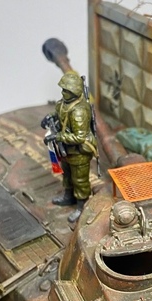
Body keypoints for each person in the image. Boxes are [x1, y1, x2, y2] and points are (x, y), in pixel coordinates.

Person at [47, 71, 97, 223]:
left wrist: (58, 137)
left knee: (80, 180)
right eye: (63, 89)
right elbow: (58, 113)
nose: (63, 92)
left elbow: (79, 137)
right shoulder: (63, 103)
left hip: (79, 152)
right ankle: (68, 196)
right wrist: (49, 117)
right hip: (66, 149)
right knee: (67, 174)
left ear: (74, 92)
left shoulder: (79, 111)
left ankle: (82, 206)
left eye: (66, 90)